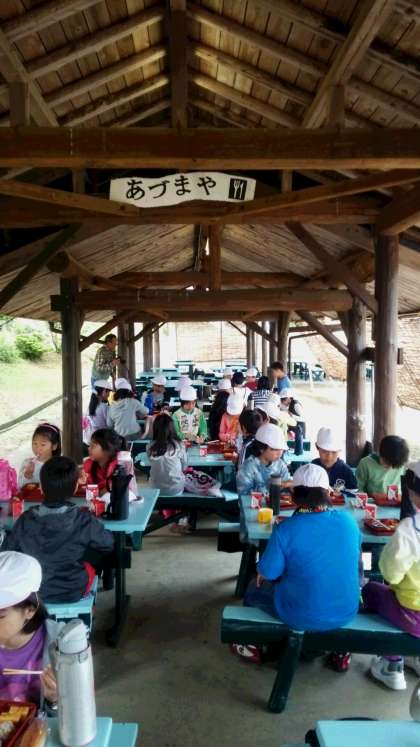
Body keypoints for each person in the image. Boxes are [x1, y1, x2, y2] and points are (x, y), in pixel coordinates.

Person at [232, 464, 360, 662]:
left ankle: (251, 644)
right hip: (347, 610)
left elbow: (268, 574)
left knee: (252, 589)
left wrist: (264, 570)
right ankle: (340, 650)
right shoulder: (349, 522)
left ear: (293, 497)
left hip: (300, 615)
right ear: (328, 493)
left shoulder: (286, 529)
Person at [4, 457, 114, 603]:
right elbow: (108, 544)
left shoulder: (25, 520)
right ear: (75, 487)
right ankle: (88, 611)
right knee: (91, 566)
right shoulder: (83, 520)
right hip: (72, 590)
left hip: (33, 591)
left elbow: (8, 552)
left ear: (41, 487)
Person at [362, 460, 420, 691]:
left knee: (371, 591)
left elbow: (391, 574)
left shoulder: (410, 529)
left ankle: (391, 662)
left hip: (413, 614)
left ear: (411, 491)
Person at [0, 551, 58, 708]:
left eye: (0, 616)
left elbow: (78, 710)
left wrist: (54, 699)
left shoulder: (61, 646)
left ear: (30, 610)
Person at [237, 423, 291, 494]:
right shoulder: (248, 467)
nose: (279, 453)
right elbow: (243, 494)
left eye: (281, 449)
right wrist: (269, 487)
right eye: (275, 449)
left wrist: (290, 486)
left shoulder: (280, 465)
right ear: (261, 448)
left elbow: (286, 485)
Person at [81, 428, 136, 498]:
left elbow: (125, 491)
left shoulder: (120, 466)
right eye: (89, 445)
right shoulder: (87, 464)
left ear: (108, 449)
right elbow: (83, 489)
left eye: (93, 446)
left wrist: (105, 490)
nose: (89, 448)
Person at [18, 423, 61, 489]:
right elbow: (20, 487)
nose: (38, 448)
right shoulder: (26, 463)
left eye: (43, 444)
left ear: (54, 446)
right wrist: (27, 476)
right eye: (35, 443)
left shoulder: (59, 465)